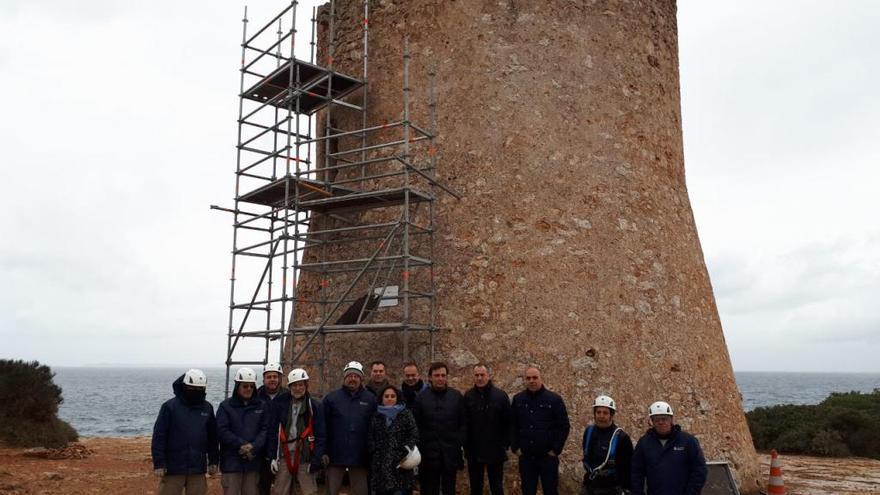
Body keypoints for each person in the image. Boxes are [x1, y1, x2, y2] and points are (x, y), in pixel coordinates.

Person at [151, 369, 219, 495]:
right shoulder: (169, 407)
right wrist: (159, 463)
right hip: (173, 469)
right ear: (185, 387)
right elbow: (159, 436)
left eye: (200, 389)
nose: (196, 392)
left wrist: (214, 460)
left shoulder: (207, 408)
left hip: (197, 469)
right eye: (192, 389)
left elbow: (212, 438)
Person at [314, 361, 378, 495]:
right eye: (349, 376)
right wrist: (323, 451)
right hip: (335, 455)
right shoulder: (331, 399)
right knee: (331, 491)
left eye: (356, 376)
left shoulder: (371, 399)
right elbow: (321, 427)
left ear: (361, 379)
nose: (352, 379)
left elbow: (375, 428)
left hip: (360, 456)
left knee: (361, 492)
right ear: (344, 378)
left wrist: (372, 451)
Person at [510, 365, 570, 495]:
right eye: (528, 378)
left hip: (547, 458)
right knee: (527, 491)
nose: (532, 380)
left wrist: (555, 450)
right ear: (525, 380)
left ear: (541, 379)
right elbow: (512, 425)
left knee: (550, 491)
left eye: (535, 377)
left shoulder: (554, 399)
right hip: (526, 457)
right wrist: (516, 448)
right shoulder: (518, 399)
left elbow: (564, 426)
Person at [631, 401, 707, 495]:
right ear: (652, 422)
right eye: (656, 420)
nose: (660, 422)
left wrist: (691, 492)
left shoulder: (688, 441)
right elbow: (636, 471)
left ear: (671, 419)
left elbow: (699, 470)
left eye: (664, 419)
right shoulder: (644, 443)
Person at [412, 362, 466, 495]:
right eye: (437, 375)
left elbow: (463, 423)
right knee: (429, 490)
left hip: (450, 454)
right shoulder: (421, 398)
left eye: (443, 375)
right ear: (430, 378)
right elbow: (415, 425)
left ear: (447, 377)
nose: (440, 378)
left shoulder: (456, 396)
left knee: (449, 489)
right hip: (428, 455)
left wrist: (459, 442)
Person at [217, 367, 270, 495]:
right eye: (245, 386)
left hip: (253, 462)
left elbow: (265, 430)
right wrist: (241, 444)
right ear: (237, 386)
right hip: (231, 463)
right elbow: (222, 430)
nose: (249, 389)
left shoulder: (262, 406)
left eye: (252, 386)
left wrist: (253, 446)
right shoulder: (225, 406)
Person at [268, 368, 321, 495]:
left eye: (301, 385)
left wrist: (316, 460)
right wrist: (272, 457)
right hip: (284, 455)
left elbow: (321, 434)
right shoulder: (280, 404)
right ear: (290, 386)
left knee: (309, 491)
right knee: (280, 491)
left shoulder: (313, 406)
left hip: (305, 455)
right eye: (295, 385)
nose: (298, 388)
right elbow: (273, 431)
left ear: (306, 386)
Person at [463, 364, 511, 495]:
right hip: (474, 451)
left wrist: (504, 444)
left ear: (488, 376)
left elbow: (508, 422)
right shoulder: (468, 396)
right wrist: (466, 446)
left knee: (496, 487)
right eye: (476, 375)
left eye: (482, 375)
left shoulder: (500, 396)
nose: (479, 378)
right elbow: (465, 423)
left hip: (495, 451)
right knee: (475, 488)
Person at [368, 385, 419, 495]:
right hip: (380, 467)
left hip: (401, 464)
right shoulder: (376, 415)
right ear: (382, 398)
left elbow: (414, 434)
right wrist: (374, 451)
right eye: (386, 396)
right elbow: (370, 436)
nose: (389, 398)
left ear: (397, 398)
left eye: (392, 396)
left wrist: (405, 450)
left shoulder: (406, 414)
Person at [580, 395, 633, 495]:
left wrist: (626, 489)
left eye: (605, 413)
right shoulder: (589, 432)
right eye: (598, 412)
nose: (601, 416)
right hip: (590, 486)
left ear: (611, 415)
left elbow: (628, 467)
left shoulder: (621, 438)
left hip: (611, 488)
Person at [258, 363, 284, 495]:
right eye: (269, 377)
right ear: (263, 379)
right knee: (262, 487)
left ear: (280, 378)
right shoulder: (256, 397)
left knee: (283, 488)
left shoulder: (288, 396)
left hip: (282, 451)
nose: (272, 379)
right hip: (260, 453)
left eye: (275, 376)